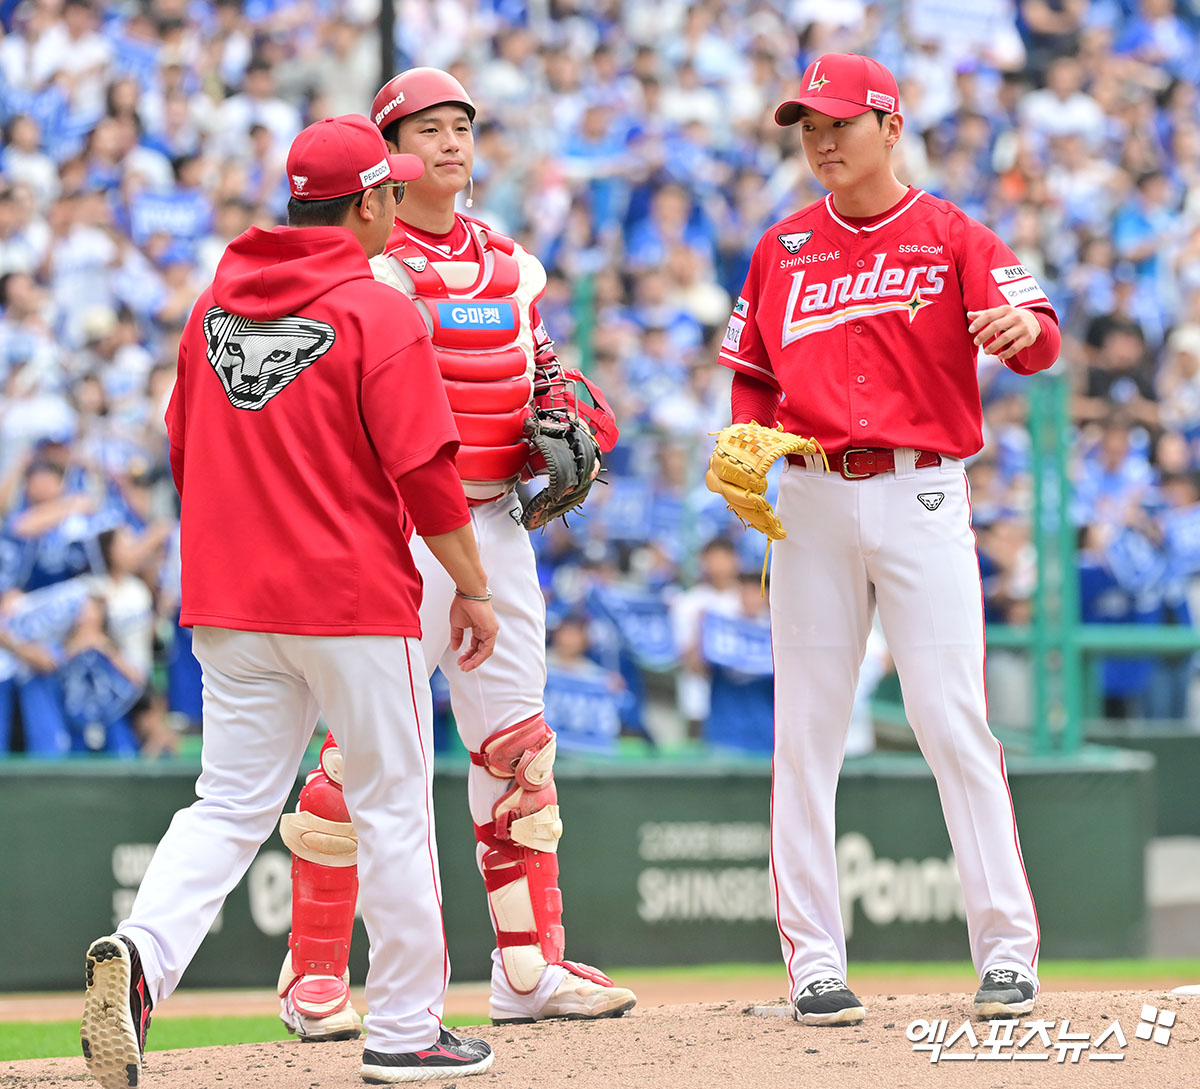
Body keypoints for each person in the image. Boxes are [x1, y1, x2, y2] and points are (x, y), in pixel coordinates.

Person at [80, 114, 500, 1089]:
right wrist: (474, 590)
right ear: (367, 200)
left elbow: (184, 449)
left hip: (230, 604)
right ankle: (404, 1030)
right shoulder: (378, 308)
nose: (399, 203)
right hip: (351, 600)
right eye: (390, 190)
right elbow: (430, 478)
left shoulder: (212, 305)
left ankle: (141, 959)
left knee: (227, 804)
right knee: (393, 806)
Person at [275, 68, 634, 1042]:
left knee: (519, 750)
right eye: (425, 130)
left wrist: (572, 408)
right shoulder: (364, 264)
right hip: (395, 528)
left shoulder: (511, 263)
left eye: (461, 128)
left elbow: (544, 369)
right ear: (386, 156)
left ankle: (527, 966)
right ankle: (312, 976)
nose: (449, 145)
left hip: (497, 528)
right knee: (357, 758)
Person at [712, 53, 1059, 1026]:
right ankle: (815, 965)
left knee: (954, 724)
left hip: (923, 495)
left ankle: (1007, 953)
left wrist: (1016, 331)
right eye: (807, 129)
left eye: (838, 126)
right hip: (814, 501)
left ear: (890, 127)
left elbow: (1041, 336)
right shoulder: (782, 247)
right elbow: (751, 373)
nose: (820, 143)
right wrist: (747, 438)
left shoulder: (951, 233)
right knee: (807, 736)